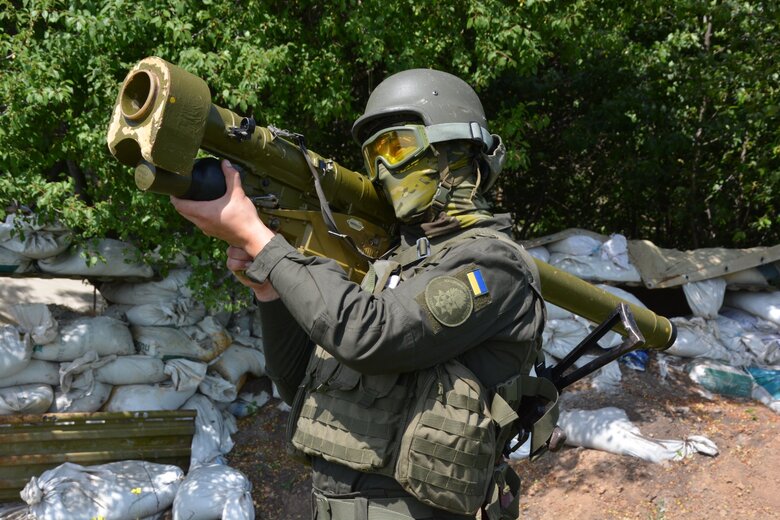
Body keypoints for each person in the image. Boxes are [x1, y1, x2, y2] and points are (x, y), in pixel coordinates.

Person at [172, 69, 556, 520]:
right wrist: (270, 291)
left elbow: (370, 336)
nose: (383, 170)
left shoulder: (494, 265)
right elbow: (296, 382)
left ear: (456, 149)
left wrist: (262, 243)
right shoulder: (392, 266)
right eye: (373, 156)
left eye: (396, 147)